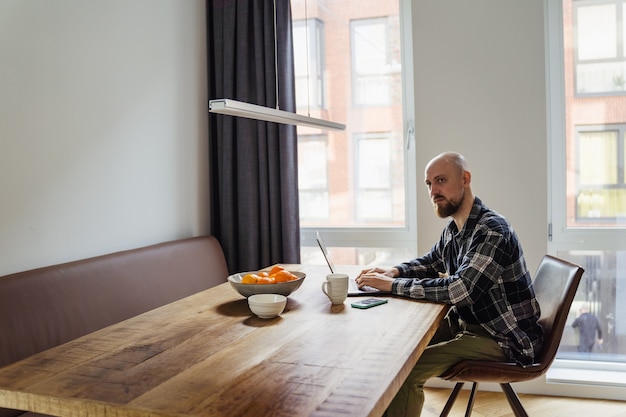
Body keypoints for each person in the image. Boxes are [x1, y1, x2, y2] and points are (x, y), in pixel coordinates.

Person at [356, 151, 543, 417]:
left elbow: (460, 289)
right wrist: (395, 271)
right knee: (394, 352)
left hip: (503, 338)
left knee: (406, 371)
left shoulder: (492, 230)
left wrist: (390, 286)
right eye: (429, 184)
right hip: (469, 324)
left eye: (441, 180)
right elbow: (433, 261)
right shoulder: (456, 228)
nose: (434, 190)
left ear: (465, 179)